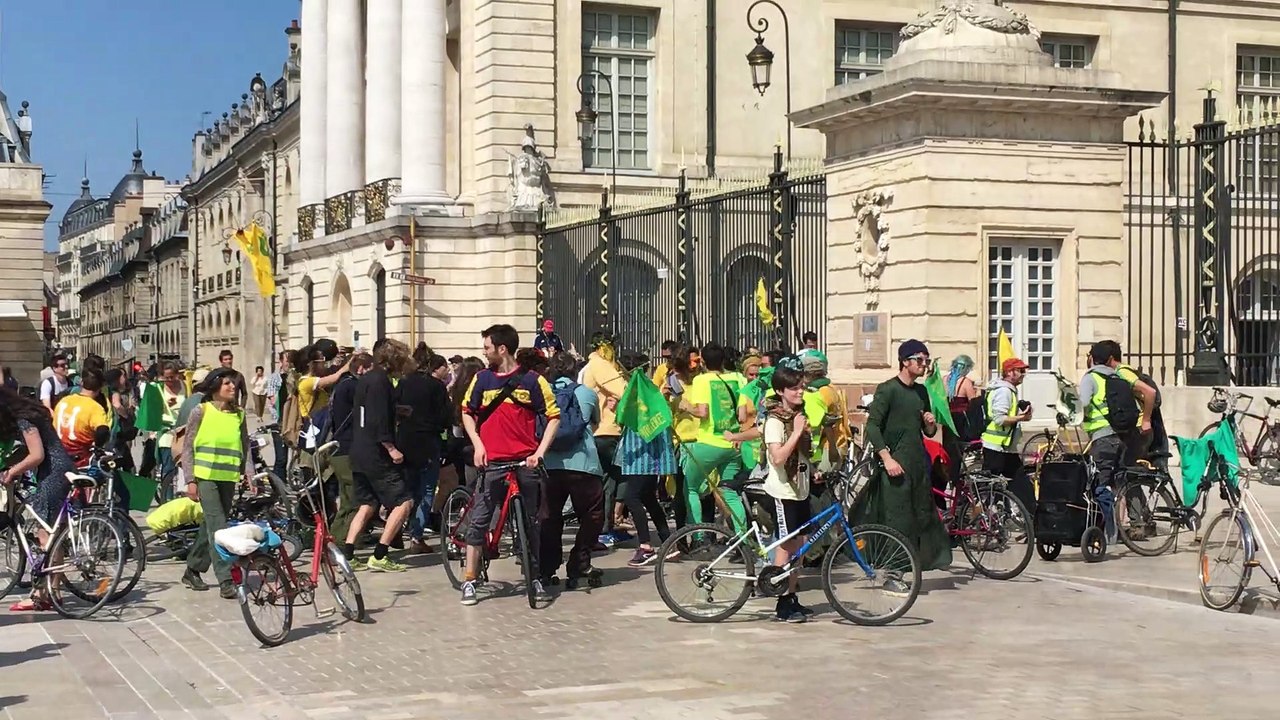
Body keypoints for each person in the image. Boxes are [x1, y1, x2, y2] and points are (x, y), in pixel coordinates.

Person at [459, 323, 560, 606]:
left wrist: (540, 451)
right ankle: (470, 579)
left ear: (502, 349)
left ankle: (535, 575)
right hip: (492, 462)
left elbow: (554, 416)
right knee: (479, 521)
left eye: (487, 347)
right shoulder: (481, 379)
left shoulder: (532, 381)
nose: (484, 352)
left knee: (531, 524)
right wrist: (478, 444)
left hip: (525, 461)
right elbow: (467, 412)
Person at [858, 339, 953, 577]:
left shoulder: (922, 391)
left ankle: (914, 565)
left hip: (918, 464)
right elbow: (872, 427)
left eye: (926, 360)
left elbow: (926, 432)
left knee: (920, 516)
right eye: (919, 360)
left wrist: (930, 425)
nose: (924, 365)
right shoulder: (888, 389)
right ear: (905, 362)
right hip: (895, 465)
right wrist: (887, 459)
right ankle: (893, 574)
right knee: (897, 520)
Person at [0, 386, 78, 611]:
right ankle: (52, 592)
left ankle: (43, 594)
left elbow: (37, 454)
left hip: (53, 472)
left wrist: (12, 472)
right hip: (59, 468)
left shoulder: (24, 419)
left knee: (45, 536)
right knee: (53, 534)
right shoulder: (27, 415)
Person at [343, 340, 416, 572]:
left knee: (367, 504)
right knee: (404, 502)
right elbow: (377, 419)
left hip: (359, 449)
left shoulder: (365, 379)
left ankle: (348, 553)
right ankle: (380, 554)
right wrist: (391, 448)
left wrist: (396, 411)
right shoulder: (380, 381)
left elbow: (367, 413)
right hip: (376, 452)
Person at [180, 369, 253, 598]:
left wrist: (248, 472)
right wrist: (190, 480)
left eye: (234, 384)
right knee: (219, 527)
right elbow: (188, 447)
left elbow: (245, 445)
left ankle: (192, 568)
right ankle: (226, 580)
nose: (232, 388)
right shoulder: (200, 411)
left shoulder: (239, 415)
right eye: (227, 384)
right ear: (215, 387)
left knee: (211, 526)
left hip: (228, 477)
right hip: (206, 476)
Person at [538, 351, 605, 586]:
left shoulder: (543, 393)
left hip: (549, 464)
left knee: (550, 518)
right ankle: (579, 563)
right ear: (575, 370)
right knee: (592, 515)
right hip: (583, 464)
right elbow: (595, 423)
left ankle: (546, 569)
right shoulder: (586, 393)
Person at [1078, 341, 1156, 542]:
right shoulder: (1116, 376)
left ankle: (1108, 533)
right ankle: (1137, 521)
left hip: (1103, 437)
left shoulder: (1092, 377)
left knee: (1100, 483)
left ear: (1092, 358)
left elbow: (1082, 404)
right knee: (1123, 479)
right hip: (1123, 435)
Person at [761, 357, 817, 622]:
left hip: (801, 490)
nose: (800, 391)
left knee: (802, 546)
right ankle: (782, 602)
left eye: (801, 386)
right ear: (781, 391)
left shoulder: (797, 416)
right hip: (783, 492)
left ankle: (792, 596)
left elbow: (802, 455)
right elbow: (779, 458)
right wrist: (796, 433)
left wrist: (814, 469)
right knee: (786, 546)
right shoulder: (775, 421)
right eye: (794, 388)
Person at [678, 341, 748, 532]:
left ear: (703, 362)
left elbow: (703, 412)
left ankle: (698, 536)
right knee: (729, 492)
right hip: (733, 444)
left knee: (690, 488)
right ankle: (742, 537)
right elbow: (743, 415)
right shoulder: (739, 378)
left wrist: (685, 406)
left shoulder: (702, 380)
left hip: (708, 443)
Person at [397, 344, 452, 554]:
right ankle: (416, 536)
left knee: (408, 489)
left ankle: (397, 530)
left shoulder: (403, 383)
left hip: (405, 440)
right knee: (427, 489)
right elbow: (445, 417)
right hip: (429, 441)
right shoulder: (435, 386)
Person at [579, 333, 630, 545]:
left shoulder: (592, 366)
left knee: (608, 482)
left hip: (600, 430)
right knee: (615, 480)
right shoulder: (600, 364)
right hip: (605, 431)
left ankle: (606, 525)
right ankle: (603, 528)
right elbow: (624, 388)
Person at [327, 352, 372, 555]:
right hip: (347, 449)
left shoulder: (342, 385)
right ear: (361, 368)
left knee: (347, 499)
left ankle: (337, 538)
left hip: (338, 448)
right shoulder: (353, 386)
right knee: (356, 497)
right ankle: (345, 542)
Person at [981, 357, 1032, 480]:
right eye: (1020, 370)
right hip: (997, 446)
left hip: (1004, 447)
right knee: (991, 487)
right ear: (1010, 372)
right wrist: (1022, 418)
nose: (1023, 374)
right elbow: (999, 419)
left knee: (1018, 482)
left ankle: (1025, 499)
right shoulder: (1004, 391)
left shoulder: (1008, 390)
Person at [53, 369, 111, 467]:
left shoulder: (64, 401)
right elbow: (103, 430)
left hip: (57, 455)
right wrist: (98, 447)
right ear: (100, 387)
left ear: (82, 383)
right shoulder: (95, 408)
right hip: (80, 458)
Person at [945, 355, 981, 441]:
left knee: (948, 443)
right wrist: (978, 393)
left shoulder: (944, 379)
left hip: (947, 417)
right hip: (961, 418)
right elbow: (973, 402)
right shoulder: (966, 382)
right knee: (961, 445)